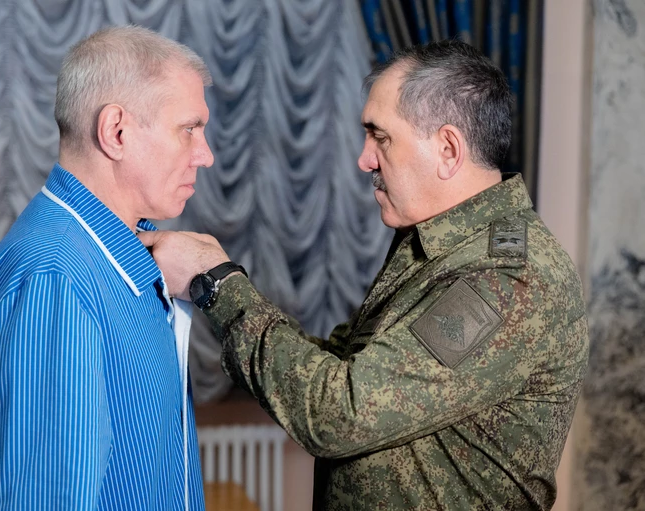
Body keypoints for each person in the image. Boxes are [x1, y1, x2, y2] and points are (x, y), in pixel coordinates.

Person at [139, 40, 589, 510]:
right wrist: (217, 275)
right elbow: (337, 366)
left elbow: (338, 412)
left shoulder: (505, 277)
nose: (365, 159)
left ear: (448, 149)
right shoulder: (439, 246)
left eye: (381, 137)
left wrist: (217, 282)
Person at [0, 26, 214, 510]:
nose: (205, 155)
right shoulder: (56, 279)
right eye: (189, 129)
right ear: (116, 132)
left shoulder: (112, 255)